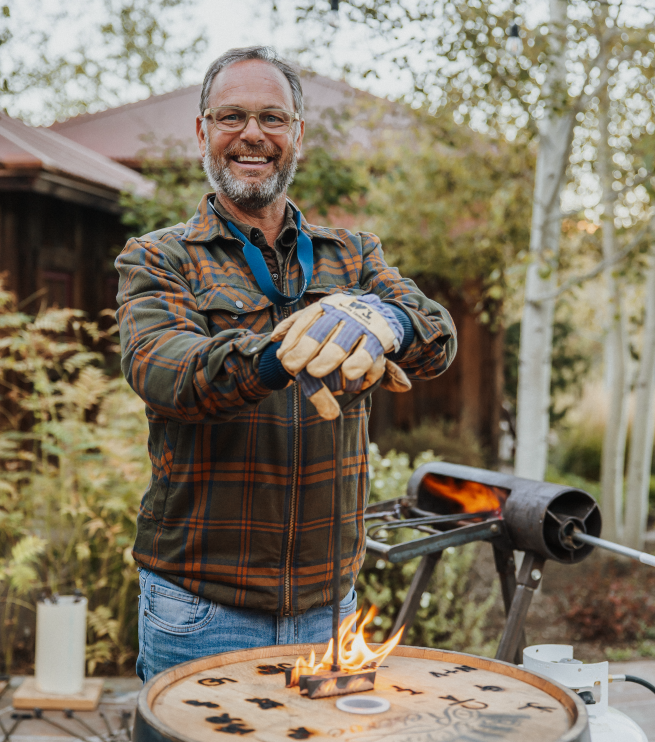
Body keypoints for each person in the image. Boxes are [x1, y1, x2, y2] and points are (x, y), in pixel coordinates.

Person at [115, 46, 457, 684]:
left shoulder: (352, 255)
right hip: (199, 608)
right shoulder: (159, 258)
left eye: (272, 118)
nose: (252, 134)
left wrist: (392, 322)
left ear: (297, 133)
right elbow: (163, 371)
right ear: (203, 132)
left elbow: (437, 337)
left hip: (330, 605)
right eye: (231, 117)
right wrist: (278, 354)